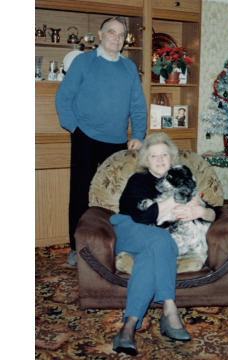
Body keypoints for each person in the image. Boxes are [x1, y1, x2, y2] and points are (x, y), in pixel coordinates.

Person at [109, 133, 216, 356]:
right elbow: (144, 217)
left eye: (164, 155)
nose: (159, 160)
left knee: (149, 259)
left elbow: (215, 213)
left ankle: (128, 327)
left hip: (154, 242)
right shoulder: (138, 181)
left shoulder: (182, 179)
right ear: (146, 160)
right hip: (130, 229)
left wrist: (199, 210)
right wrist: (176, 199)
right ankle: (169, 308)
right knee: (161, 238)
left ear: (171, 158)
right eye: (154, 156)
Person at [55, 16, 147, 266]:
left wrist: (138, 135)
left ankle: (114, 245)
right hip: (86, 138)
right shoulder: (83, 62)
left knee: (117, 195)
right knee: (80, 195)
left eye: (121, 35)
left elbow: (138, 106)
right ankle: (77, 248)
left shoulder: (128, 68)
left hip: (117, 142)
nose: (116, 38)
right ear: (100, 34)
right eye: (111, 32)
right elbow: (63, 98)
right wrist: (75, 129)